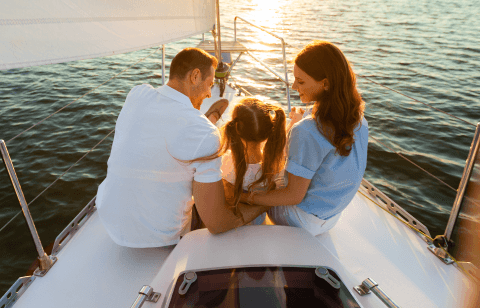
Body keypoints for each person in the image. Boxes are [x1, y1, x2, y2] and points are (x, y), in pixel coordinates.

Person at [96, 47, 266, 248]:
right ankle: (210, 119)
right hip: (160, 236)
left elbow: (165, 117)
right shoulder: (207, 135)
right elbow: (217, 223)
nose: (209, 93)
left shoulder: (137, 93)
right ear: (195, 76)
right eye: (210, 84)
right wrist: (262, 205)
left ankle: (209, 118)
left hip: (108, 217)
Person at [240, 40, 368, 236]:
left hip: (300, 221)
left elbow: (293, 196)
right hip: (330, 217)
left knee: (255, 174)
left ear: (325, 84)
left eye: (300, 82)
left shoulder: (306, 130)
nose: (293, 86)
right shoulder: (358, 118)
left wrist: (249, 198)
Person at [219, 98, 286, 224]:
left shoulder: (227, 161)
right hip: (259, 225)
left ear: (236, 128)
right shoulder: (275, 164)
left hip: (234, 227)